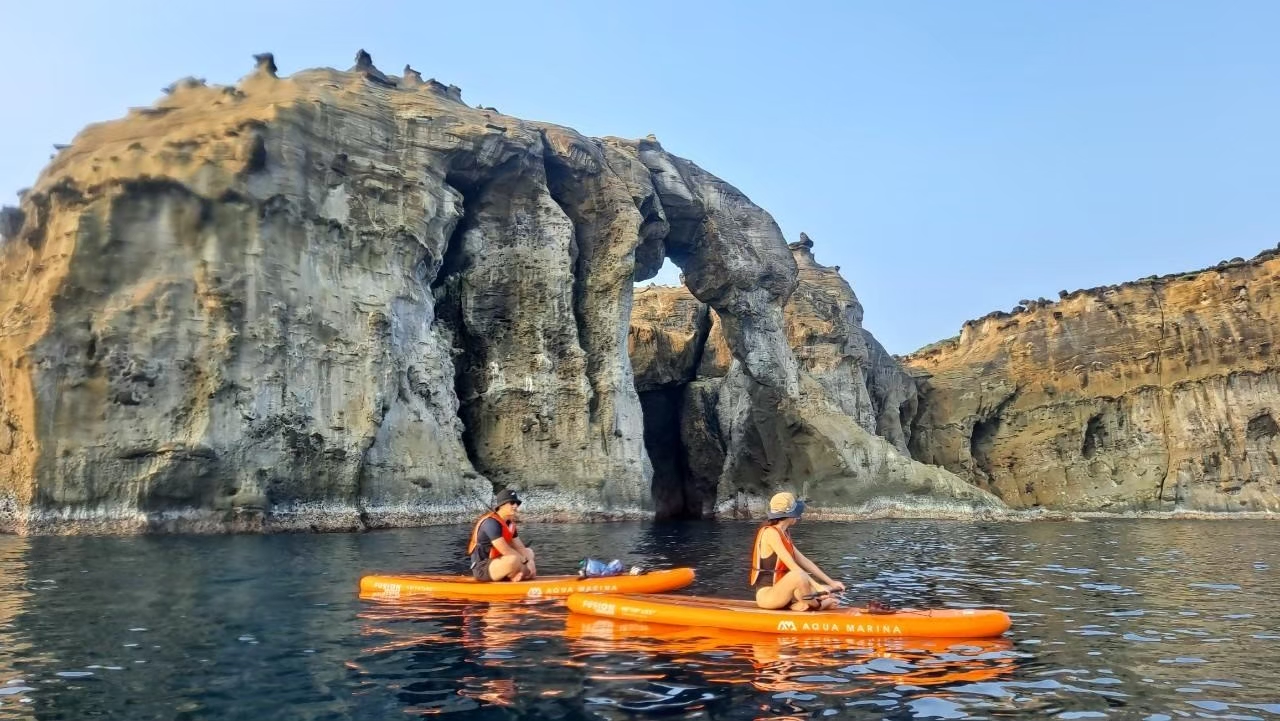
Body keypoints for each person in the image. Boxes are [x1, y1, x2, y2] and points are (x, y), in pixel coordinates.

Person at [750, 492, 846, 611]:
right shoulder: (770, 533)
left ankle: (804, 604)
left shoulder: (784, 533)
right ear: (790, 514)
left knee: (830, 591)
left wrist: (831, 583)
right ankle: (819, 605)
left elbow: (804, 561)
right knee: (798, 575)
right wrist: (817, 586)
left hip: (785, 594)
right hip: (768, 596)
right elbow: (794, 567)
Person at [467, 489, 537, 582]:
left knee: (529, 552)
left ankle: (518, 573)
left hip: (499, 561)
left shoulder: (510, 524)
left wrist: (530, 562)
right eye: (512, 503)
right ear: (502, 505)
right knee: (514, 560)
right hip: (482, 568)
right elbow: (505, 550)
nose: (515, 506)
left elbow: (520, 547)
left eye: (517, 503)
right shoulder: (491, 523)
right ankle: (517, 574)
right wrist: (525, 562)